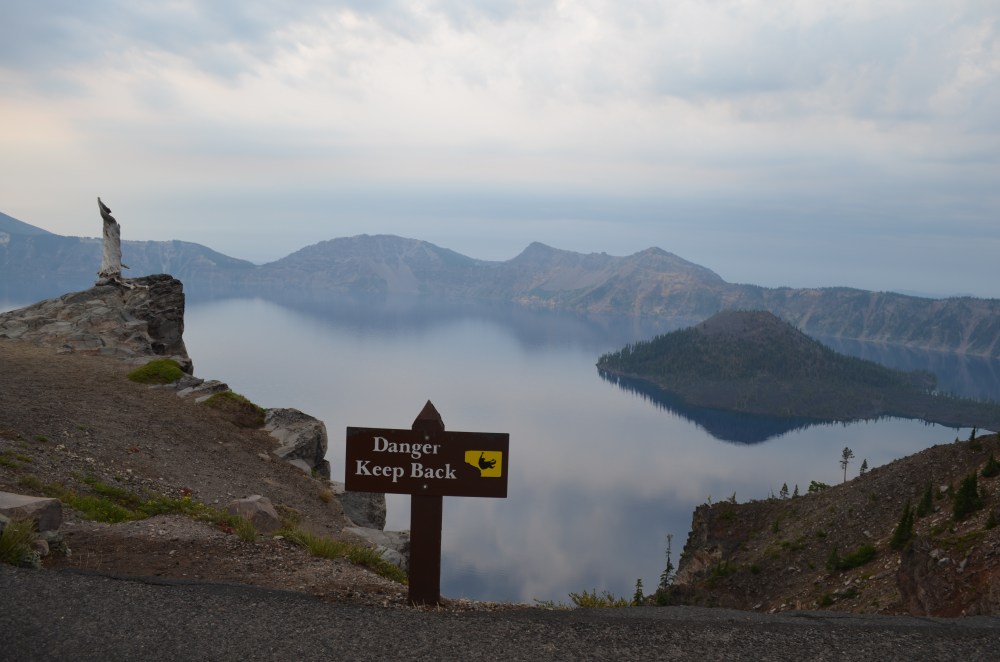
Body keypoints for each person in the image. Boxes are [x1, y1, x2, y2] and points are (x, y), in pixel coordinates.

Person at [97, 197, 128, 282]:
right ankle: (109, 272)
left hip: (113, 272)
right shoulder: (110, 223)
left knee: (111, 244)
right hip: (110, 272)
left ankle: (111, 272)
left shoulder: (112, 223)